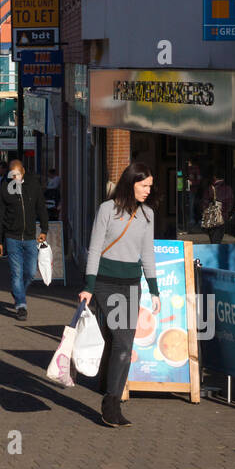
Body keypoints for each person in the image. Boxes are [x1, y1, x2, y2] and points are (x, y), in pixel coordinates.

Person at [78, 162, 159, 428]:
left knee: (125, 344)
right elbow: (95, 248)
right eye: (144, 185)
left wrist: (154, 289)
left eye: (150, 186)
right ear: (131, 182)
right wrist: (89, 287)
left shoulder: (147, 215)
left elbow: (147, 254)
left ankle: (112, 400)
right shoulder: (107, 210)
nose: (148, 190)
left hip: (131, 284)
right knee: (123, 341)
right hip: (105, 283)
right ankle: (110, 403)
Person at [0, 159, 49, 320]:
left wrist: (44, 229)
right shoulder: (4, 190)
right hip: (12, 237)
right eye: (12, 174)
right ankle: (21, 305)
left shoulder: (33, 186)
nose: (14, 177)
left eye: (17, 174)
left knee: (30, 272)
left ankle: (18, 291)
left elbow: (41, 208)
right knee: (16, 274)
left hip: (31, 237)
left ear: (23, 171)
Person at [202, 169, 234, 245]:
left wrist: (204, 211)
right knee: (218, 237)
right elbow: (230, 203)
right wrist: (226, 212)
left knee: (213, 238)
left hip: (211, 217)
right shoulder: (228, 188)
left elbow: (204, 202)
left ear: (215, 177)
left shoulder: (210, 188)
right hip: (223, 216)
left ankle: (214, 250)